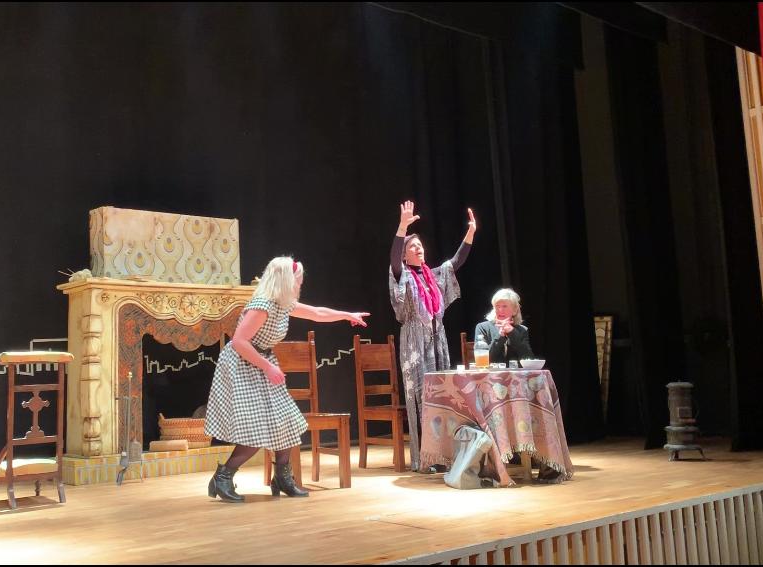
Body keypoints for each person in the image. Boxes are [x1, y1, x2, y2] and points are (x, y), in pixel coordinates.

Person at [205, 256, 370, 502]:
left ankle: (282, 478)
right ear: (284, 280)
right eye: (297, 280)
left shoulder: (283, 303)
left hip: (262, 362)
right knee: (257, 428)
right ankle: (223, 477)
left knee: (287, 420)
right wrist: (267, 367)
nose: (300, 284)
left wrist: (347, 315)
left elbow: (317, 313)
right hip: (242, 364)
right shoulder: (263, 305)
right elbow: (239, 341)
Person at [389, 200, 476, 472]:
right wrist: (403, 227)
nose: (419, 249)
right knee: (421, 397)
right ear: (405, 256)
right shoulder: (401, 275)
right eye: (412, 247)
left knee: (441, 397)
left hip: (438, 341)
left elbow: (456, 262)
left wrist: (470, 232)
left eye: (420, 246)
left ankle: (443, 454)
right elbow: (393, 259)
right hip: (415, 344)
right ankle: (424, 457)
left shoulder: (433, 276)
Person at [473, 288, 534, 365]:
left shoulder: (523, 330)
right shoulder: (482, 327)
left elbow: (529, 359)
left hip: (515, 372)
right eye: (497, 306)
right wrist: (500, 336)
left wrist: (512, 333)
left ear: (514, 310)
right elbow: (484, 360)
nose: (500, 310)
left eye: (504, 306)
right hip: (491, 372)